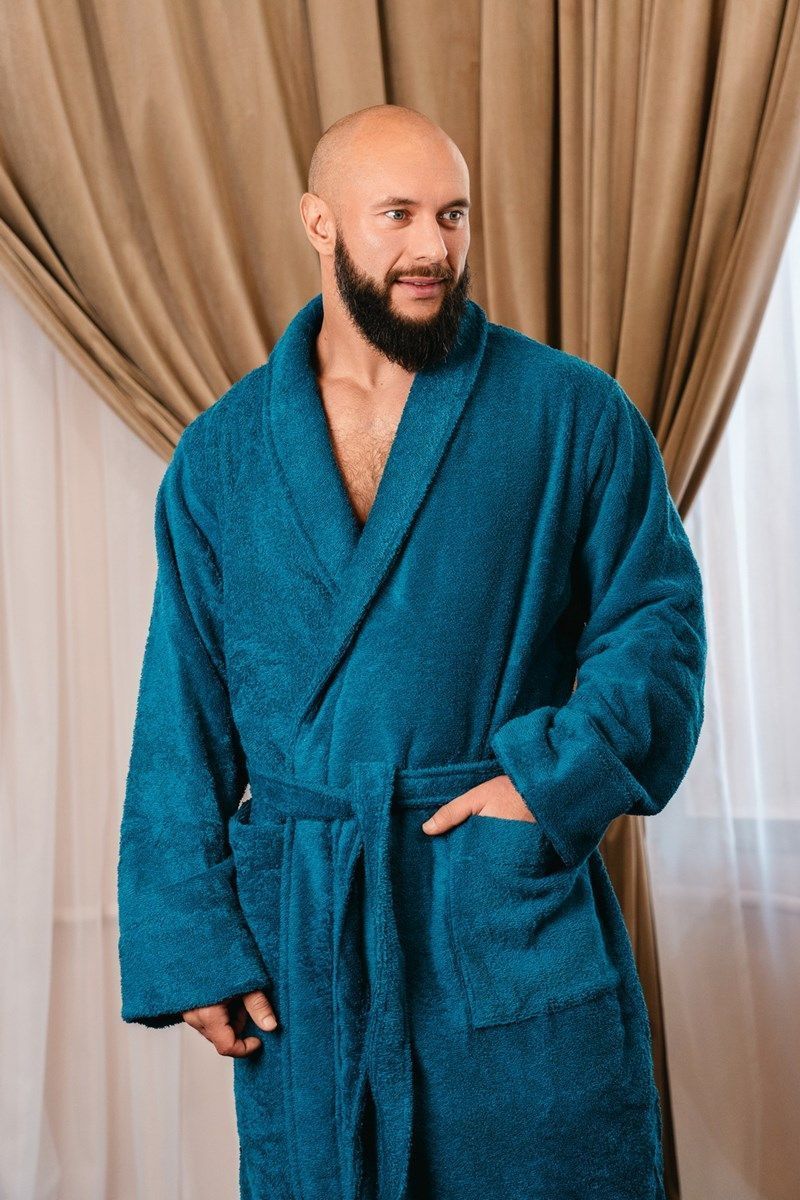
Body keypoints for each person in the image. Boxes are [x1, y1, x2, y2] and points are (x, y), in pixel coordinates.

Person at [117, 103, 707, 1200]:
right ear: (320, 223)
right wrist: (190, 938)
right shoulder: (224, 454)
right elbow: (180, 707)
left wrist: (546, 784)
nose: (433, 246)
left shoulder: (569, 413)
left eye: (452, 214)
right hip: (312, 934)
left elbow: (658, 629)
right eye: (396, 215)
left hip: (492, 906)